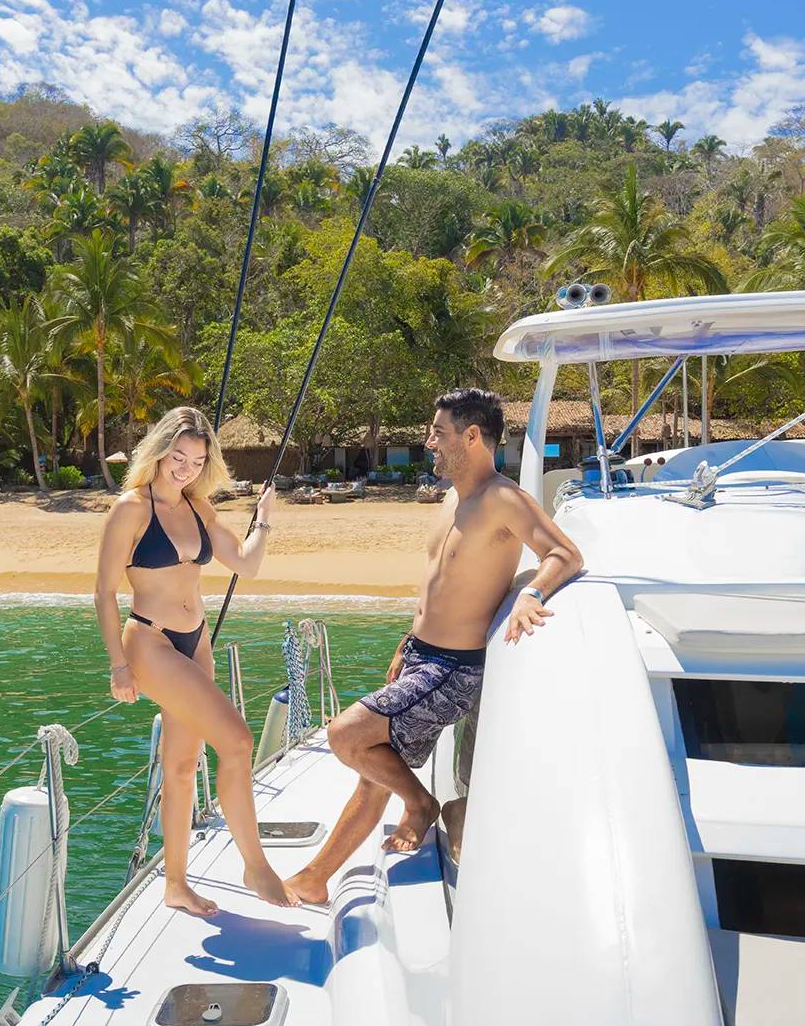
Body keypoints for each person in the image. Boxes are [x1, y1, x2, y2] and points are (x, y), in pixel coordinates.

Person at [285, 388, 582, 904]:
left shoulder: (501, 498)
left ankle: (421, 804)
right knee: (375, 770)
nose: (429, 443)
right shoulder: (452, 497)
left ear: (472, 436)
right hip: (420, 655)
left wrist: (531, 594)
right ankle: (315, 878)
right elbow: (438, 583)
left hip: (453, 669)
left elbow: (564, 553)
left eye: (438, 433)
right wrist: (407, 640)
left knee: (345, 736)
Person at [95, 406, 297, 915]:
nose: (184, 468)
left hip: (197, 639)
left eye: (196, 461)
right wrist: (119, 665)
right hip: (152, 642)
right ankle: (256, 866)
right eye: (178, 456)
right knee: (238, 740)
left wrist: (264, 521)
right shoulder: (131, 509)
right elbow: (103, 592)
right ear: (160, 450)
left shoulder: (199, 507)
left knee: (183, 766)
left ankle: (176, 885)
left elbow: (245, 565)